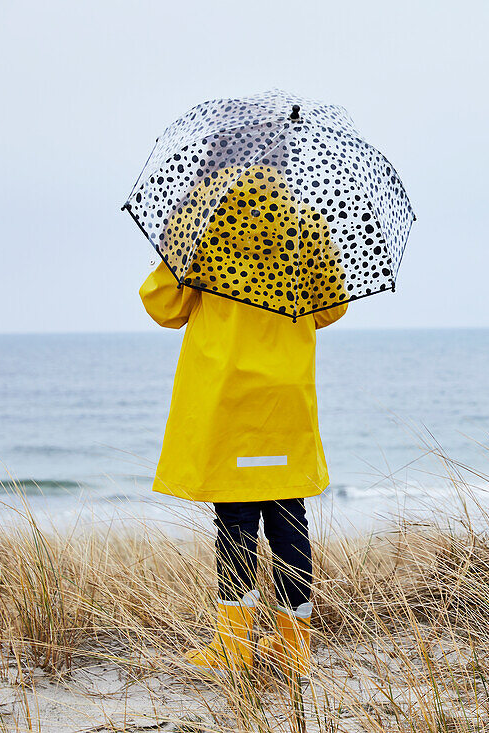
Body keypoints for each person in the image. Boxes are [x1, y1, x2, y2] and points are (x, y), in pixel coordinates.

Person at [139, 165, 348, 677]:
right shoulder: (304, 225)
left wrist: (171, 246)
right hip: (284, 397)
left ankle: (233, 645)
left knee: (235, 521)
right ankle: (291, 644)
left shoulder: (202, 221)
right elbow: (333, 307)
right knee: (288, 516)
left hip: (228, 395)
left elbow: (164, 307)